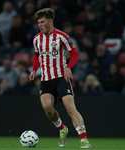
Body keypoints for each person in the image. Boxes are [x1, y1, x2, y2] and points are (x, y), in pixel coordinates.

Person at [29, 8, 91, 148]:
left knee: (70, 108)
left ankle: (84, 139)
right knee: (47, 108)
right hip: (46, 80)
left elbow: (75, 54)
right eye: (38, 22)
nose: (40, 25)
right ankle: (63, 129)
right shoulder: (36, 39)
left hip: (61, 78)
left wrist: (68, 67)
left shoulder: (62, 36)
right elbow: (37, 55)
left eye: (43, 22)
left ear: (50, 22)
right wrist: (34, 70)